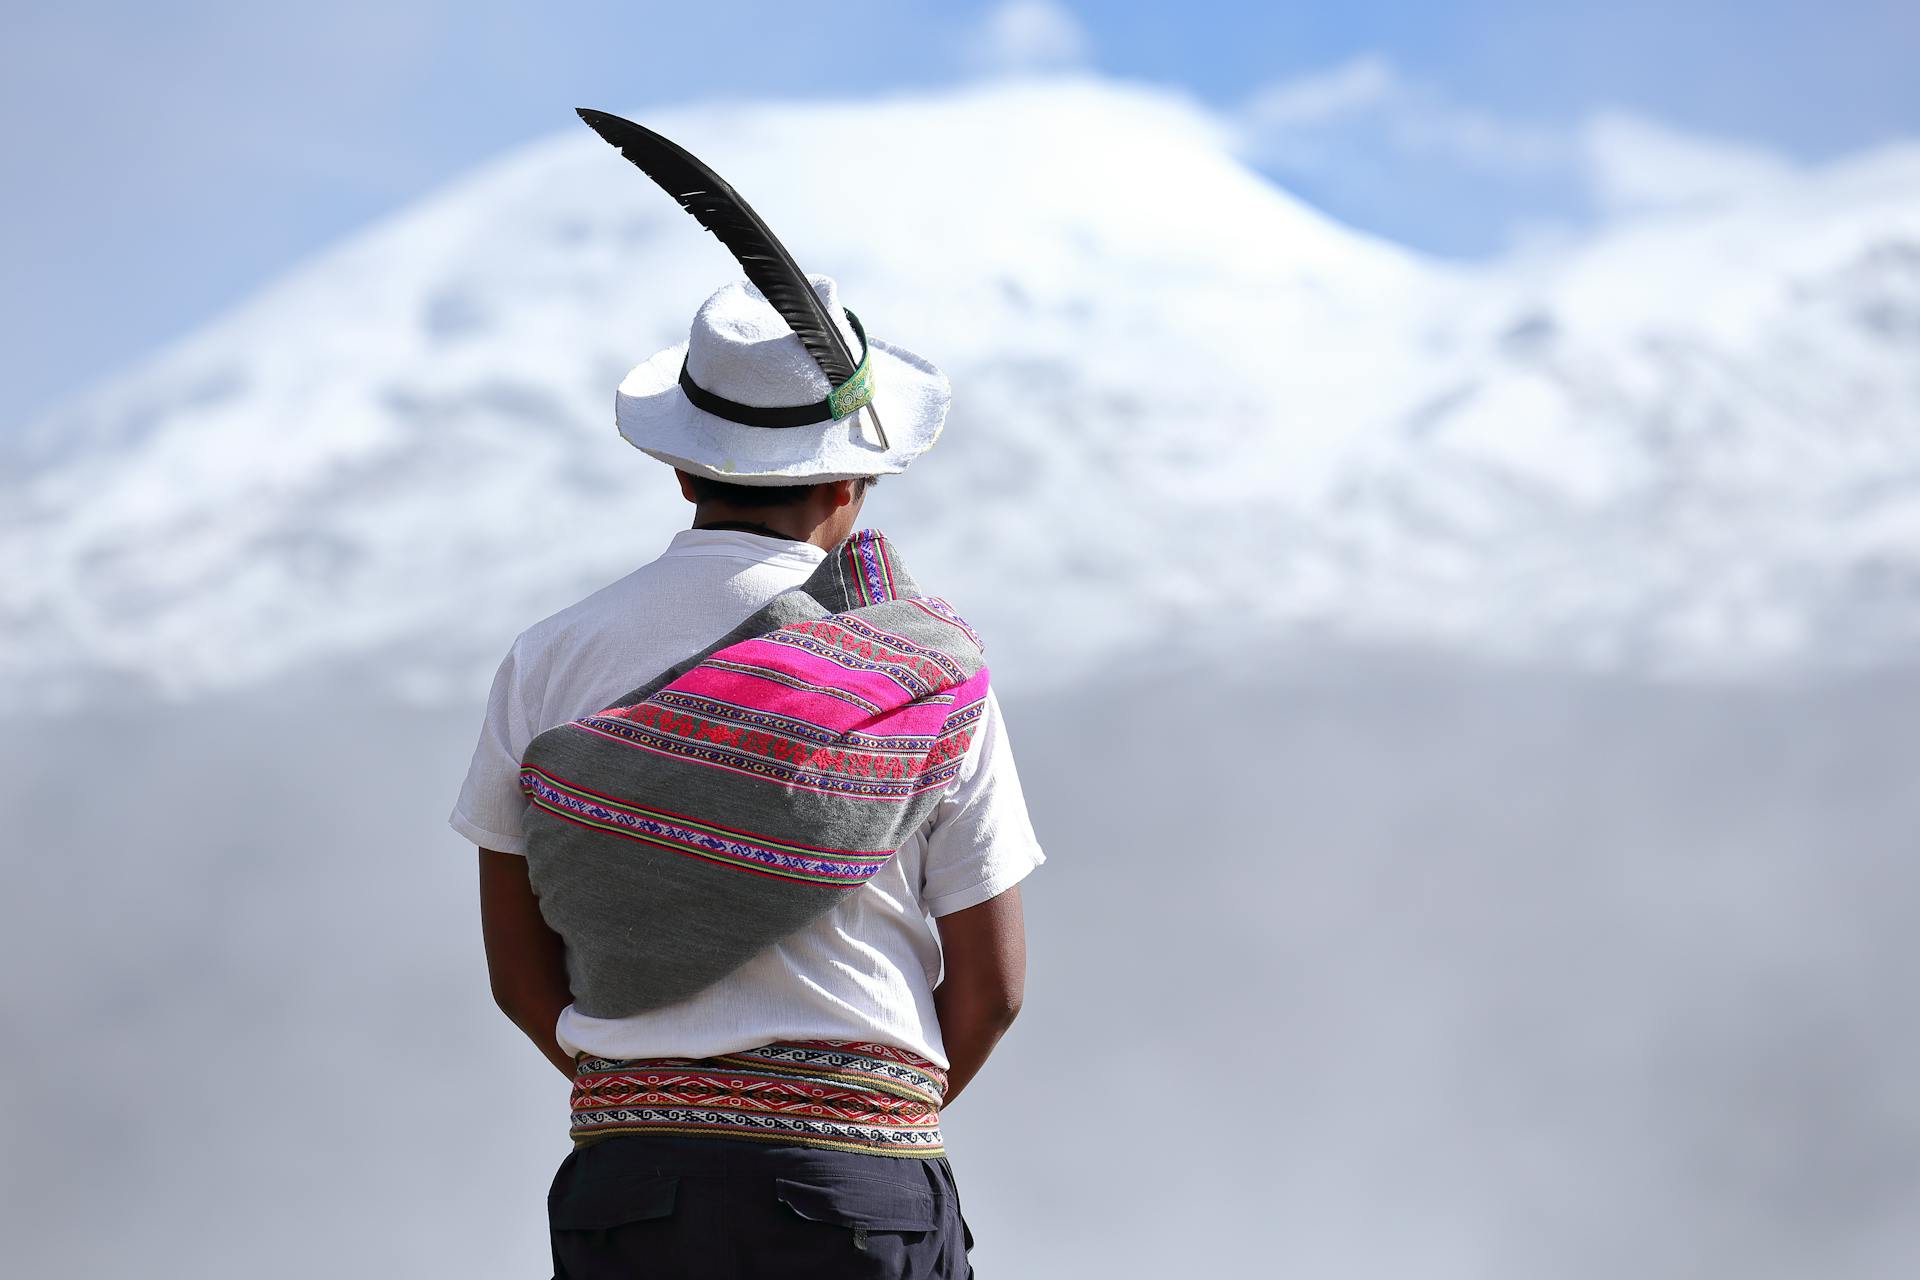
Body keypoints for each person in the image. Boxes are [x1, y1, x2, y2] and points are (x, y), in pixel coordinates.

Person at [449, 251, 1046, 1277]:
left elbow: (519, 971)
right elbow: (992, 988)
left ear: (681, 466)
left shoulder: (549, 655)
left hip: (629, 1196)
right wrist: (854, 1112)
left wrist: (652, 1091)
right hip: (860, 1196)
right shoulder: (926, 672)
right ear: (861, 469)